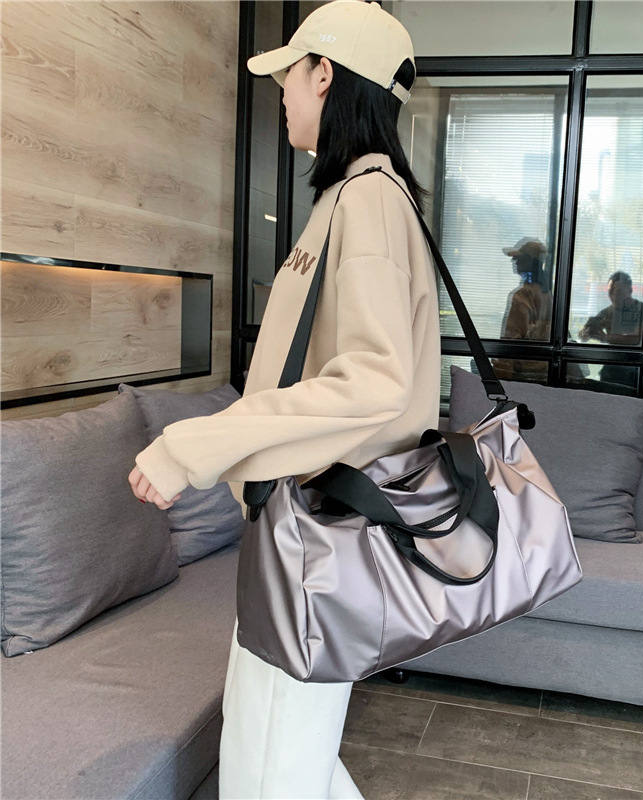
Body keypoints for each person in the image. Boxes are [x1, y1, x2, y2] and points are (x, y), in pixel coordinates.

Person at [127, 2, 440, 797]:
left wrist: (192, 446)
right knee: (287, 759)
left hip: (317, 533)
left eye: (290, 74)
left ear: (326, 75)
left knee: (270, 770)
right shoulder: (356, 195)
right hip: (305, 531)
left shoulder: (368, 200)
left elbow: (372, 380)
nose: (282, 92)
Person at [493, 237, 552, 381]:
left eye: (519, 258)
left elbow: (512, 337)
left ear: (530, 262)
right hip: (543, 371)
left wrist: (501, 373)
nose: (514, 261)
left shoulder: (522, 296)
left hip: (522, 373)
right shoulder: (548, 293)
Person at [578, 271, 643, 394]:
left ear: (630, 290)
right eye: (610, 292)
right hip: (612, 368)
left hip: (635, 368)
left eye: (618, 292)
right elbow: (582, 337)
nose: (613, 296)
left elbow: (637, 339)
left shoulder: (641, 309)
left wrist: (606, 337)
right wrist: (588, 329)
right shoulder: (608, 312)